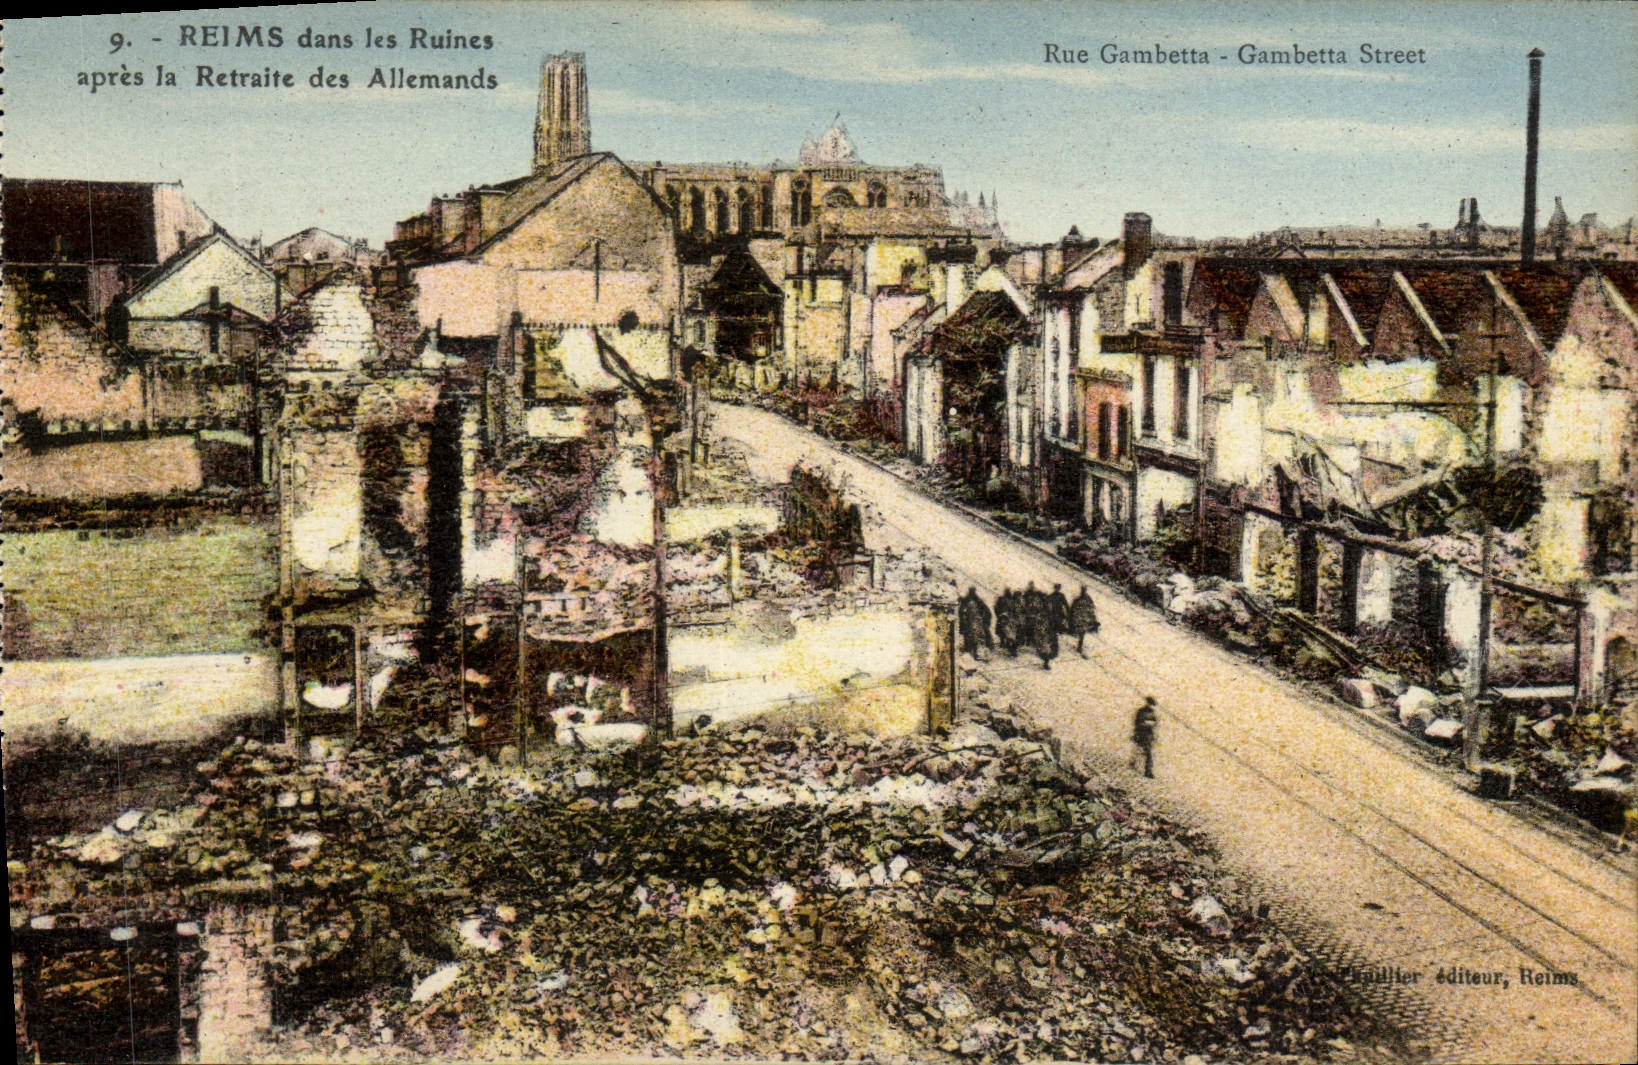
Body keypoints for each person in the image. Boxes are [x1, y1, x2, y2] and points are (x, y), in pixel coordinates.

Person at [958, 587, 994, 657]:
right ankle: (972, 652)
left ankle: (975, 652)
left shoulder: (975, 601)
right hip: (971, 622)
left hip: (976, 622)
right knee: (973, 637)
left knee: (975, 637)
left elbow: (987, 611)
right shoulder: (973, 600)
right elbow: (961, 612)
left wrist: (984, 620)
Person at [1068, 585, 1101, 657]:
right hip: (1080, 618)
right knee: (1081, 632)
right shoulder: (1083, 599)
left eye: (1084, 590)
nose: (1083, 592)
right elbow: (1073, 608)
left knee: (1082, 632)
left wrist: (1093, 617)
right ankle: (1079, 645)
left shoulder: (1083, 599)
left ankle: (1080, 646)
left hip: (1083, 619)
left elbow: (1091, 608)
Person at [1132, 696, 1159, 778]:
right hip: (1141, 734)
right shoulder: (1141, 711)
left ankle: (1148, 770)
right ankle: (1143, 768)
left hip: (1149, 735)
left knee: (1148, 753)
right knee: (1141, 751)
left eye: (1152, 705)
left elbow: (1156, 723)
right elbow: (1137, 722)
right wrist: (1145, 724)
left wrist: (1154, 733)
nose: (1151, 706)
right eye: (1150, 704)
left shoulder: (1153, 713)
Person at [995, 590, 1019, 657]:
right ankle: (1012, 649)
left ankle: (1011, 649)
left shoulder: (1008, 600)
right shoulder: (1006, 600)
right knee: (1009, 635)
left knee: (1009, 635)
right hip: (1005, 619)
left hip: (1007, 619)